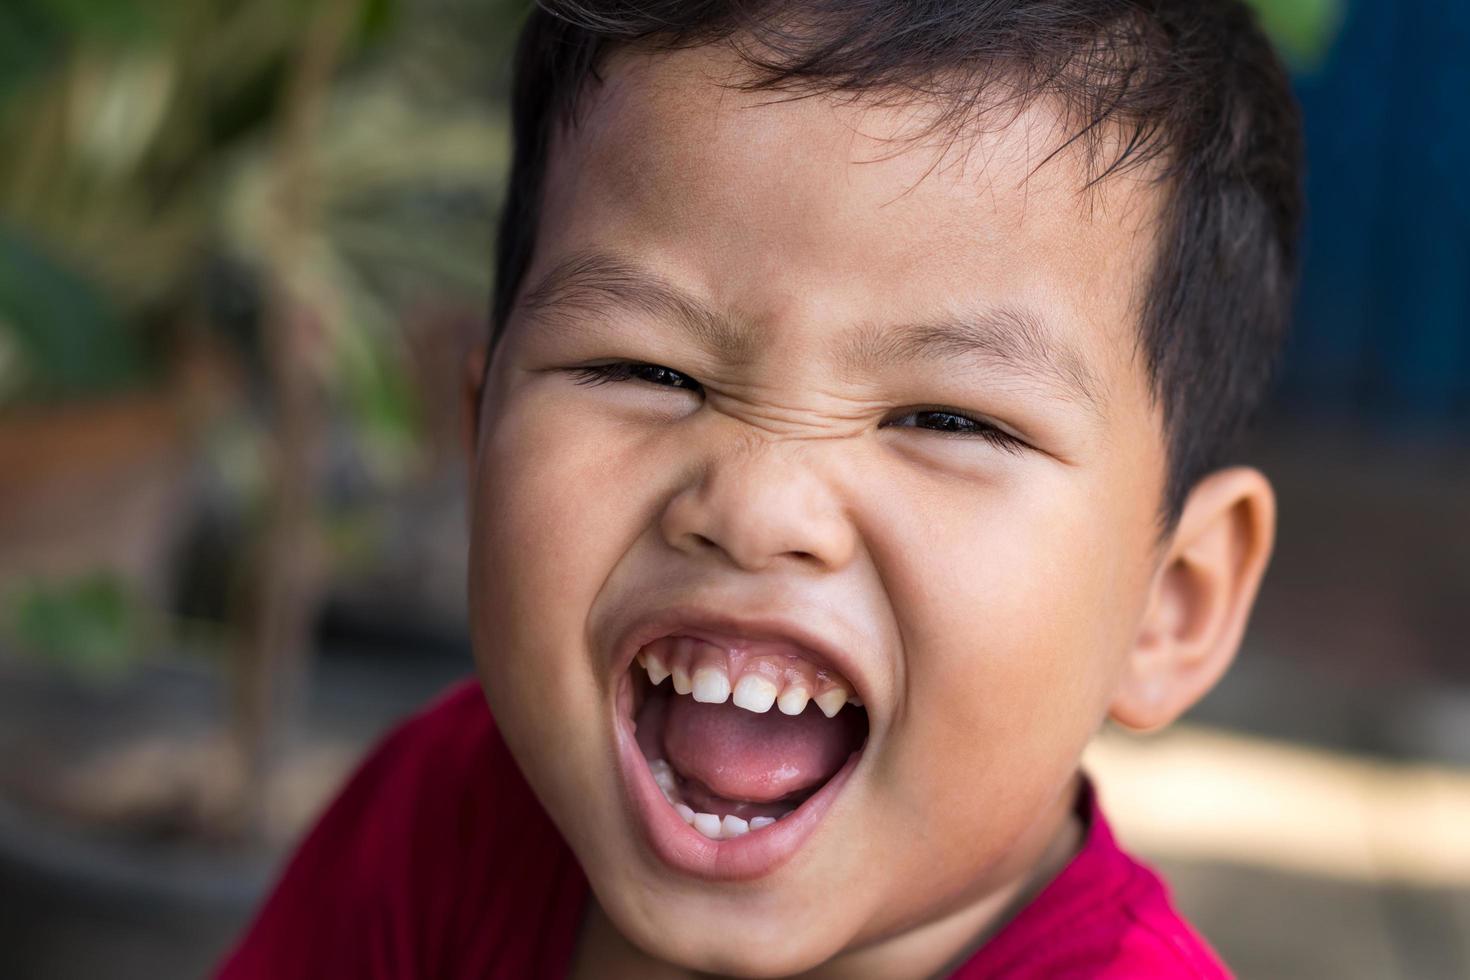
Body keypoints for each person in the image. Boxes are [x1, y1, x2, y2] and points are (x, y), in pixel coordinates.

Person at [217, 1, 1301, 976]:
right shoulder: (443, 814)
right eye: (647, 370)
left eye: (947, 420)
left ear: (1173, 602)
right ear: (479, 431)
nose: (757, 507)